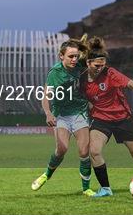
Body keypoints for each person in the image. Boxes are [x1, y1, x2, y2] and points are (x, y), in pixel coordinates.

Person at [82, 36, 133, 198]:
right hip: (101, 120)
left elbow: (132, 84)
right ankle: (106, 189)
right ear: (88, 63)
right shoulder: (81, 79)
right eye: (97, 65)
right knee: (94, 151)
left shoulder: (111, 73)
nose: (101, 68)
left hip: (122, 119)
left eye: (103, 65)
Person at [31, 37, 95, 196]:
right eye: (70, 56)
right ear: (61, 56)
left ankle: (86, 188)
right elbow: (46, 97)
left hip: (80, 113)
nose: (74, 59)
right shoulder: (55, 73)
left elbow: (93, 58)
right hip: (61, 116)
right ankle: (47, 175)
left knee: (84, 151)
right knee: (62, 149)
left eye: (76, 56)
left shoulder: (81, 66)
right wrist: (48, 113)